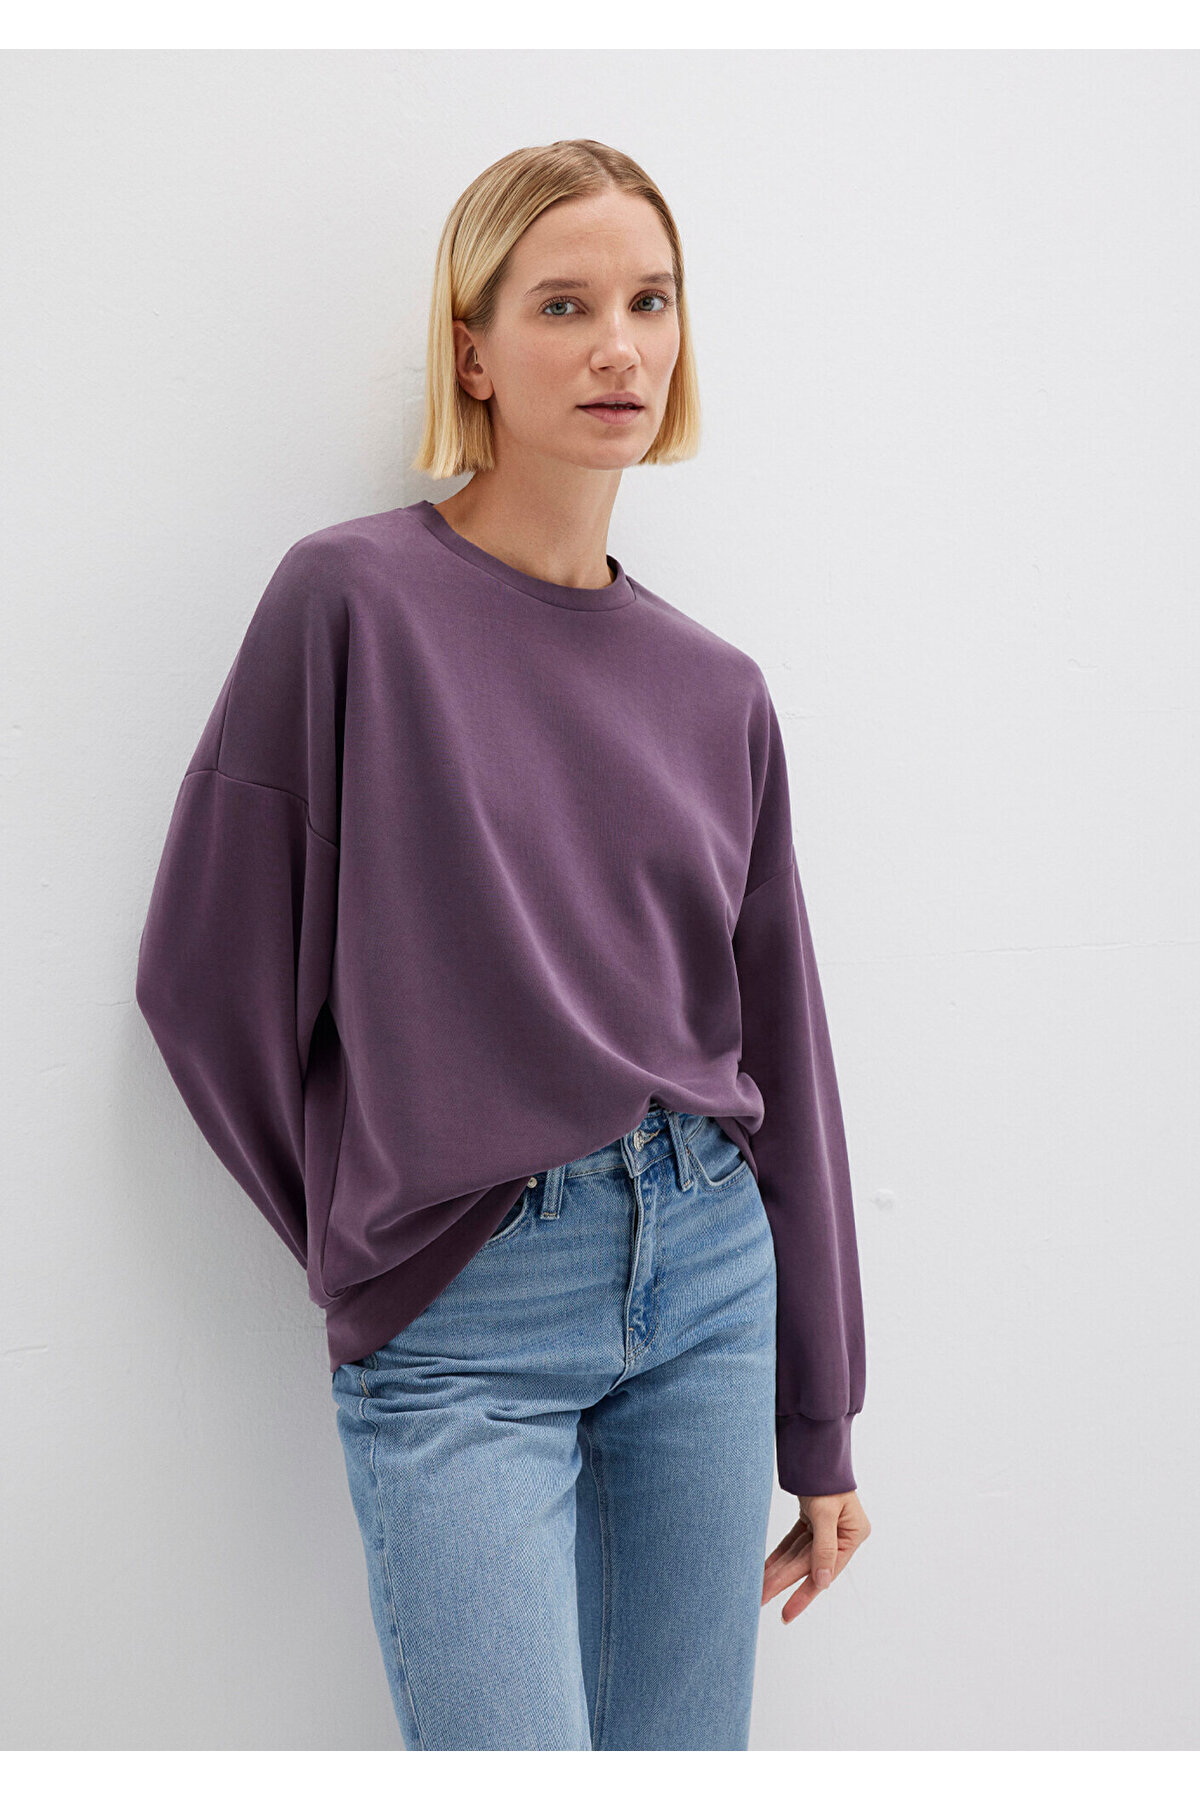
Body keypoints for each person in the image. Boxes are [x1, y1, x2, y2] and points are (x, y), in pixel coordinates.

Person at [135, 137, 871, 1752]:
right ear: (471, 349)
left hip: (707, 1283)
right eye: (564, 305)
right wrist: (378, 1234)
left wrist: (821, 1421)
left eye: (650, 302)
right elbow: (201, 984)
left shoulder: (718, 690)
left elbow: (783, 1055)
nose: (620, 347)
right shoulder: (351, 603)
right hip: (465, 1307)